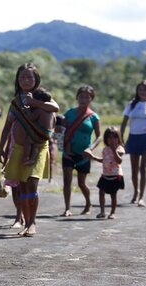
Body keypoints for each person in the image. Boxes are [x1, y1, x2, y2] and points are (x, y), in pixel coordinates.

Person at [0, 63, 59, 237]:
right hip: (18, 148)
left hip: (38, 147)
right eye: (22, 77)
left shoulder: (44, 96)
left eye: (29, 77)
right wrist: (1, 148)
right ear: (17, 80)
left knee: (32, 183)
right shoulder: (15, 102)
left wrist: (34, 102)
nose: (26, 80)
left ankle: (32, 223)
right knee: (23, 187)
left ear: (36, 79)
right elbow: (8, 125)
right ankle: (25, 220)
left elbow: (55, 108)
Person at [60, 85, 101, 217]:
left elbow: (99, 136)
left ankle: (88, 203)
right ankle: (67, 208)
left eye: (87, 97)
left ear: (91, 99)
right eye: (81, 97)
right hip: (68, 153)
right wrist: (64, 146)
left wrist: (91, 148)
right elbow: (61, 132)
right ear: (77, 98)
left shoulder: (94, 117)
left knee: (81, 183)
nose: (83, 99)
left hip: (84, 154)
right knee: (67, 181)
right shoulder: (69, 113)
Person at [87, 127, 125, 219]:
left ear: (118, 138)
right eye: (109, 138)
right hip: (105, 174)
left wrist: (114, 150)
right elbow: (104, 160)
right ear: (106, 139)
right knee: (101, 192)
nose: (112, 140)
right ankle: (102, 211)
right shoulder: (105, 149)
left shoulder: (120, 149)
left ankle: (112, 212)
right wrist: (93, 157)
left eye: (114, 138)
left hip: (115, 175)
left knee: (113, 195)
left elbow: (119, 161)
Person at [49, 114, 65, 183]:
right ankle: (51, 177)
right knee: (51, 163)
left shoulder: (53, 129)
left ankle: (50, 177)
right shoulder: (63, 129)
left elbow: (52, 138)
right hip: (62, 148)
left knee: (50, 163)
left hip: (52, 147)